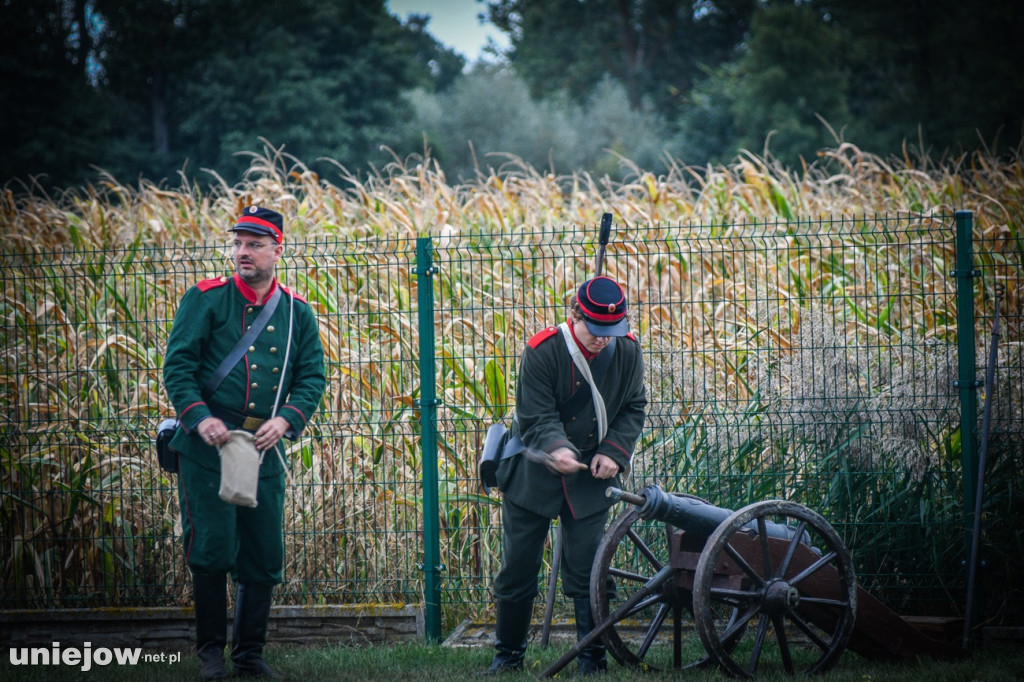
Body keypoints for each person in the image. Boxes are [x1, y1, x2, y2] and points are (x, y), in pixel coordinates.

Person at [163, 206, 326, 679]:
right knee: (212, 550)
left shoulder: (297, 312)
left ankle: (249, 656)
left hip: (264, 447)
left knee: (262, 556)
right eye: (237, 243)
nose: (242, 252)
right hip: (208, 447)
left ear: (278, 250)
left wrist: (288, 420)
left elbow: (313, 375)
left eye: (254, 244)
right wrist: (198, 418)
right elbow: (179, 368)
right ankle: (211, 654)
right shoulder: (206, 299)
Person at [485, 275, 647, 676]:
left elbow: (634, 407)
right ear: (574, 315)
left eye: (612, 331)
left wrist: (614, 453)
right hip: (532, 477)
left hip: (591, 481)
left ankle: (593, 657)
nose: (603, 340)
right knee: (518, 570)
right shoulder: (542, 351)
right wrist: (557, 448)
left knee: (590, 571)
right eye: (596, 331)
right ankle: (508, 656)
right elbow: (534, 415)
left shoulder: (627, 352)